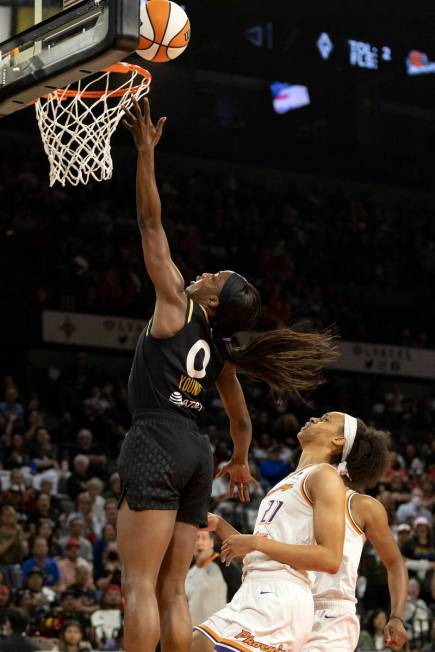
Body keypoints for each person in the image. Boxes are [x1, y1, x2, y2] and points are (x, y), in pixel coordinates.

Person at [118, 97, 338, 652]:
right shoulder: (219, 354)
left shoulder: (177, 304)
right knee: (172, 589)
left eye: (215, 274)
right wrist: (238, 460)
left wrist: (145, 153)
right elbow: (239, 422)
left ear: (215, 300)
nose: (204, 272)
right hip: (195, 448)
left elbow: (150, 221)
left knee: (139, 584)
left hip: (157, 437)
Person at [192, 412, 388, 652]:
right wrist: (220, 525)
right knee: (195, 643)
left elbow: (329, 558)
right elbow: (262, 551)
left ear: (339, 441)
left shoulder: (325, 477)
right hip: (254, 589)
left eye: (325, 420)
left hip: (280, 598)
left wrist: (255, 543)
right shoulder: (288, 480)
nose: (314, 418)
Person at [302, 438, 409, 652]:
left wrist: (397, 616)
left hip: (330, 613)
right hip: (287, 603)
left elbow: (395, 563)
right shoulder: (295, 495)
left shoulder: (361, 506)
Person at [185, 531, 240, 626]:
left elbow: (240, 598)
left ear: (211, 542)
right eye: (196, 538)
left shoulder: (226, 566)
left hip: (218, 633)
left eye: (203, 538)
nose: (199, 542)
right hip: (192, 633)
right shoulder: (187, 571)